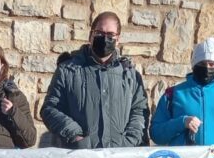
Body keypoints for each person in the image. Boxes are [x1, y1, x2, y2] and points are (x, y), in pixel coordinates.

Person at [41, 11, 149, 148]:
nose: (104, 38)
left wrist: (129, 141)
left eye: (110, 35)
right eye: (99, 33)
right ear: (91, 35)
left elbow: (139, 111)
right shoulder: (68, 70)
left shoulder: (130, 75)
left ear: (118, 39)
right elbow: (50, 109)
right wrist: (76, 136)